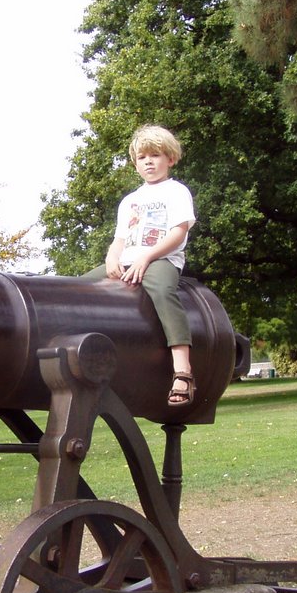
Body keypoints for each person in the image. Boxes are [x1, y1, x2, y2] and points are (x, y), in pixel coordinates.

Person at [83, 124, 197, 406]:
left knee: (161, 291)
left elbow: (178, 232)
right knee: (78, 287)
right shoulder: (130, 201)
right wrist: (111, 259)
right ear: (135, 163)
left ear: (169, 159)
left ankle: (183, 370)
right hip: (126, 259)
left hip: (161, 258)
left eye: (155, 155)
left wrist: (147, 257)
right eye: (142, 157)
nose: (148, 161)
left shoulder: (176, 192)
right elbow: (120, 239)